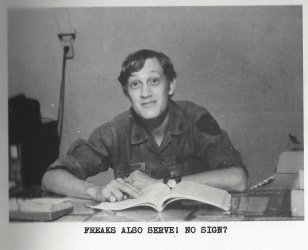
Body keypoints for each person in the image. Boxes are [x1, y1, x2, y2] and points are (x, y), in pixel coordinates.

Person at [42, 49, 248, 203]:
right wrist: (95, 191)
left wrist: (162, 185)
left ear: (171, 85)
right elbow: (51, 177)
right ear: (126, 93)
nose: (145, 93)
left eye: (154, 81)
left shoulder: (195, 118)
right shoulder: (116, 131)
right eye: (135, 84)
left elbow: (237, 178)